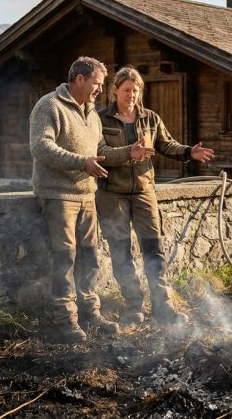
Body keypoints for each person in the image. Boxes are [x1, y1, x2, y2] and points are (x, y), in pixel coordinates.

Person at [30, 56, 147, 344]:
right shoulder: (50, 106)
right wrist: (82, 163)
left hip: (86, 195)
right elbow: (41, 146)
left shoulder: (91, 114)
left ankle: (90, 312)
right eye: (96, 83)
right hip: (58, 195)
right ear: (79, 79)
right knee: (65, 257)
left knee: (90, 256)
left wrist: (127, 153)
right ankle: (65, 319)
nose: (99, 89)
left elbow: (101, 151)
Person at [96, 66, 215, 326]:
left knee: (154, 250)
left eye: (136, 91)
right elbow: (101, 152)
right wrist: (130, 152)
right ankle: (134, 306)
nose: (131, 95)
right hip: (111, 195)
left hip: (144, 193)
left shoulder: (150, 118)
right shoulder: (100, 118)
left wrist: (188, 152)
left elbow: (165, 144)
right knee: (121, 252)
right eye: (126, 90)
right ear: (114, 90)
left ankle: (163, 306)